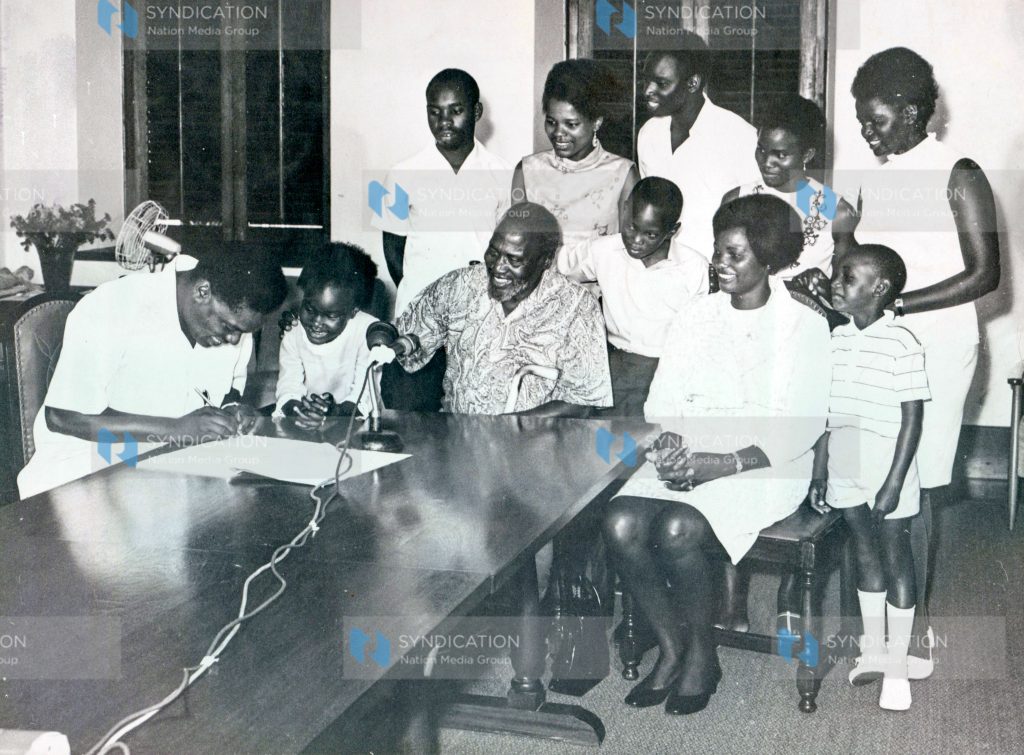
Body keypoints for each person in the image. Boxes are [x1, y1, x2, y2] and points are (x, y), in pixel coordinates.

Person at [602, 194, 829, 715]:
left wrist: (719, 465)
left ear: (768, 260)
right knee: (619, 521)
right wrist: (670, 445)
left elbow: (801, 425)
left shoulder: (803, 326)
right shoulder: (696, 315)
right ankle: (672, 646)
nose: (720, 264)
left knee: (677, 529)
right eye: (718, 251)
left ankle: (703, 655)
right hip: (690, 451)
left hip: (766, 464)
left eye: (735, 255)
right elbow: (663, 399)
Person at [844, 47, 1001, 675]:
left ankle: (912, 630)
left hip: (938, 344)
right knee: (876, 472)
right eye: (862, 119)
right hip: (883, 343)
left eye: (876, 119)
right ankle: (880, 622)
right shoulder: (876, 177)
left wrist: (900, 305)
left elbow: (985, 274)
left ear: (911, 112)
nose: (866, 131)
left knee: (919, 480)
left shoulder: (959, 172)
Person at [17, 253, 288, 499]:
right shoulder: (113, 306)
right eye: (229, 327)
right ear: (202, 291)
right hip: (84, 474)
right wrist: (176, 429)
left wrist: (233, 410)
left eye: (242, 332)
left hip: (170, 471)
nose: (234, 339)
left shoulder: (232, 321)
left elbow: (228, 390)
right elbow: (62, 416)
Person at [808, 244, 930, 711]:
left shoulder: (902, 341)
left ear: (879, 289)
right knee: (863, 551)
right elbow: (827, 415)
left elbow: (913, 419)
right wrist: (820, 471)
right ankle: (875, 651)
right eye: (837, 275)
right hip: (845, 458)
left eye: (848, 277)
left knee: (895, 555)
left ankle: (897, 667)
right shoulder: (836, 339)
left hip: (886, 461)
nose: (835, 284)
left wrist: (894, 482)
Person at [374, 202, 612, 417]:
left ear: (545, 261)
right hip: (459, 436)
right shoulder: (460, 286)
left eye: (514, 260)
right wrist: (382, 336)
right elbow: (403, 337)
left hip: (535, 442)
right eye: (494, 252)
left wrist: (511, 427)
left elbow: (583, 401)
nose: (498, 267)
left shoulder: (577, 307)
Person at [557, 176, 707, 415]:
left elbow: (700, 337)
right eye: (631, 227)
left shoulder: (693, 268)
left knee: (635, 431)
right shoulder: (602, 250)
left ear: (672, 231)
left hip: (664, 370)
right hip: (611, 363)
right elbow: (556, 266)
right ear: (625, 209)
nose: (636, 241)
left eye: (650, 235)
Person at [374, 68, 511, 317]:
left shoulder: (503, 173)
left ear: (476, 112)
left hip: (481, 306)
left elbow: (506, 244)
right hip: (421, 306)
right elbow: (392, 248)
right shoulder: (401, 173)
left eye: (456, 111)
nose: (444, 121)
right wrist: (420, 297)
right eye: (435, 112)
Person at [512, 59, 640, 286]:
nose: (558, 133)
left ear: (596, 122)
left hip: (600, 296)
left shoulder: (623, 175)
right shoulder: (527, 171)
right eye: (552, 122)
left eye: (571, 124)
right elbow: (515, 246)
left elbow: (628, 256)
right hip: (537, 294)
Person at [636, 35, 760, 260]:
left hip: (714, 270)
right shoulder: (649, 134)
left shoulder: (740, 137)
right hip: (659, 269)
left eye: (661, 83)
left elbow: (757, 218)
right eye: (646, 81)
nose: (647, 91)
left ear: (693, 83)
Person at [723, 93, 858, 279]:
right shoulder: (735, 200)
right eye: (761, 150)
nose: (767, 162)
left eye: (781, 155)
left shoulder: (837, 211)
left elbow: (844, 284)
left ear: (807, 155)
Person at [275, 243, 379, 427]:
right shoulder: (293, 331)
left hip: (355, 422)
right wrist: (299, 411)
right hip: (306, 421)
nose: (316, 322)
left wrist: (335, 413)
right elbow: (288, 385)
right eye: (310, 309)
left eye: (331, 316)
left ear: (353, 311)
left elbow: (364, 395)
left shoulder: (369, 332)